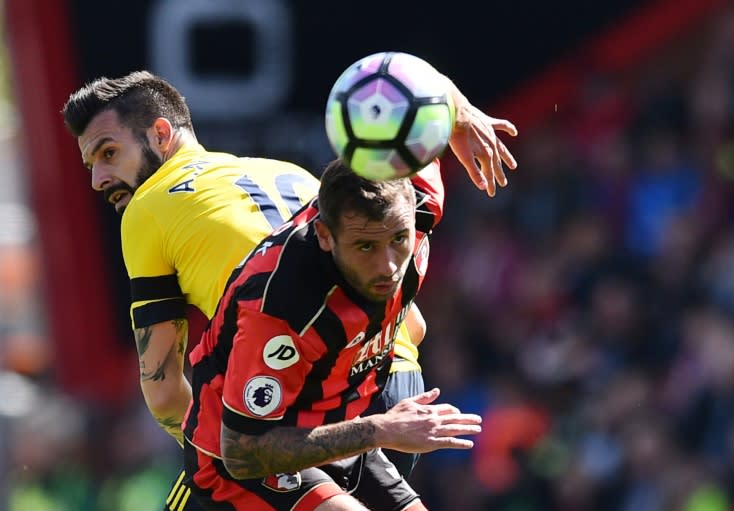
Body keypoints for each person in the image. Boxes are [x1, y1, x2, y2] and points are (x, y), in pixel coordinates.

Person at [61, 71, 430, 510]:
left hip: (285, 406)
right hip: (396, 388)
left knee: (209, 477)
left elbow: (162, 393)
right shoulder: (290, 173)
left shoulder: (148, 205)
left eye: (109, 153)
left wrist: (232, 439)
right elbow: (415, 325)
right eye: (91, 165)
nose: (98, 179)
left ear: (161, 133)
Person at [182, 78, 517, 510]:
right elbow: (243, 450)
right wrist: (380, 429)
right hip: (245, 461)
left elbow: (413, 81)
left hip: (339, 428)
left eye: (399, 239)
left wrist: (461, 113)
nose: (388, 266)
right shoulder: (282, 309)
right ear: (324, 235)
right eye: (365, 247)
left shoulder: (415, 200)